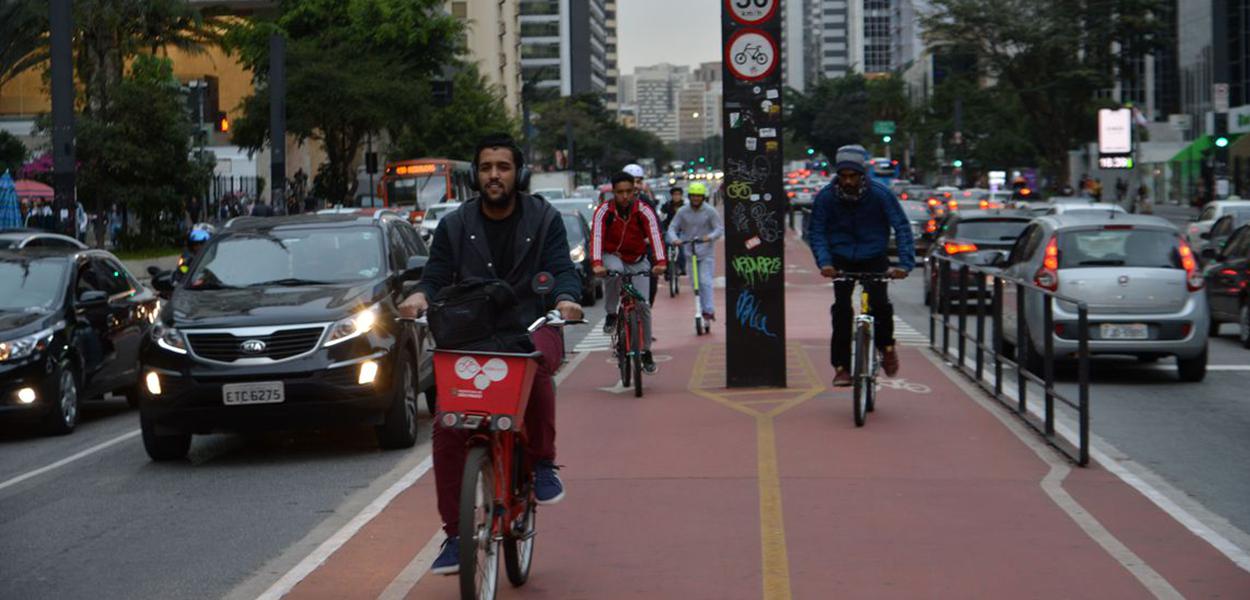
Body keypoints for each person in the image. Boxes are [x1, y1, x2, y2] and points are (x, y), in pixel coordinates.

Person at [397, 134, 583, 576]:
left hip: (531, 326)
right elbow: (436, 274)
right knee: (447, 425)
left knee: (533, 366)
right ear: (475, 175)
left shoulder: (544, 218)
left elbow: (562, 269)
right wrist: (421, 296)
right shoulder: (455, 225)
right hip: (471, 333)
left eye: (502, 166)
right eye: (486, 168)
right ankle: (455, 533)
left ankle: (540, 464)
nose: (494, 175)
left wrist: (566, 300)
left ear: (518, 172)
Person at [806, 144, 913, 387]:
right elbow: (817, 232)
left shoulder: (880, 195)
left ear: (862, 174)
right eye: (843, 176)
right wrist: (824, 262)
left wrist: (905, 264)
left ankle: (886, 347)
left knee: (880, 305)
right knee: (842, 310)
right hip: (840, 259)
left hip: (874, 255)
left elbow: (902, 228)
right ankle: (841, 367)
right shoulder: (826, 197)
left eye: (853, 176)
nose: (848, 182)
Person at [591, 171, 668, 373]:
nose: (625, 196)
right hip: (613, 255)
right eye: (620, 192)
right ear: (613, 192)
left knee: (643, 305)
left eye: (629, 192)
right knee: (613, 271)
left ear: (635, 191)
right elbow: (596, 237)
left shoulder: (644, 210)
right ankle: (610, 314)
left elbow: (655, 235)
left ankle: (646, 352)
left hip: (637, 259)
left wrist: (660, 262)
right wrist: (597, 264)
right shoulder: (603, 212)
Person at [666, 182, 723, 324]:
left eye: (699, 196)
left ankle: (708, 311)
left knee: (705, 281)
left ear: (703, 197)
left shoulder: (710, 211)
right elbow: (672, 228)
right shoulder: (683, 211)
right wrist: (675, 239)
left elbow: (719, 229)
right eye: (693, 196)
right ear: (689, 197)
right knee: (695, 283)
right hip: (689, 252)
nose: (696, 199)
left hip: (706, 253)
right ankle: (701, 308)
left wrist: (708, 237)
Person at [662, 185, 687, 275]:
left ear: (681, 195)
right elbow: (661, 218)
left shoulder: (685, 207)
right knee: (664, 246)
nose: (676, 196)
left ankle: (682, 267)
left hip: (681, 231)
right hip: (668, 231)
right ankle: (666, 267)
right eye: (674, 194)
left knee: (682, 250)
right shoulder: (666, 206)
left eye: (678, 194)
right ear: (671, 196)